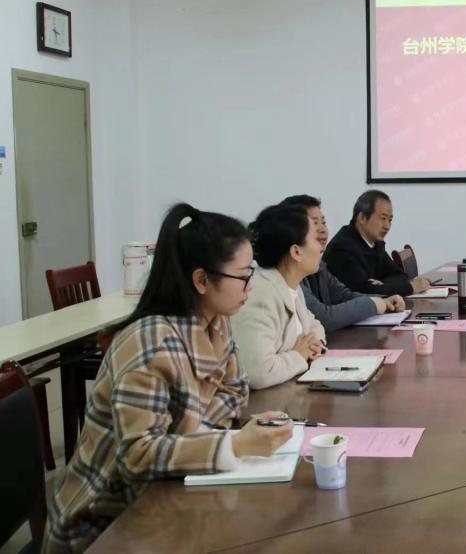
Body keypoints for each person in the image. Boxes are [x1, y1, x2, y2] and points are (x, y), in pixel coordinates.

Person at [45, 204, 293, 554]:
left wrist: (185, 434)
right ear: (202, 280)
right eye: (243, 276)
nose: (250, 287)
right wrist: (235, 445)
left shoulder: (217, 322)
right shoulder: (150, 342)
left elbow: (236, 392)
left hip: (160, 493)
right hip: (102, 524)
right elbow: (138, 455)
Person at [232, 204, 327, 390]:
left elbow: (314, 325)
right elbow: (258, 372)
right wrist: (298, 356)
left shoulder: (290, 284)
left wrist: (314, 345)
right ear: (296, 252)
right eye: (316, 239)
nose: (321, 247)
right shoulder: (259, 293)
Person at [280, 195, 405, 330]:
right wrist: (375, 304)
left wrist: (384, 300)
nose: (323, 230)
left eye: (324, 223)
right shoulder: (287, 275)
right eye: (314, 224)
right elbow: (323, 318)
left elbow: (343, 295)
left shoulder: (317, 266)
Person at [323, 190, 431, 296]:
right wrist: (411, 287)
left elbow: (400, 276)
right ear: (362, 218)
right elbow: (363, 292)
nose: (387, 226)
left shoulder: (375, 243)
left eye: (390, 220)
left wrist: (382, 285)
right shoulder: (343, 248)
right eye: (383, 218)